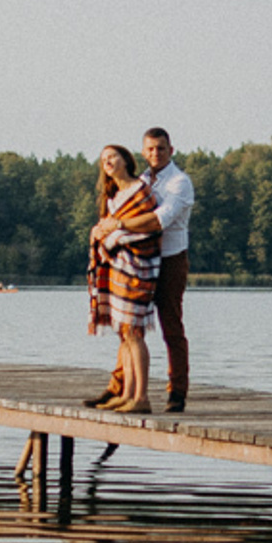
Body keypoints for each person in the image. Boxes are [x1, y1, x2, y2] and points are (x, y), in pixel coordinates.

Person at [85, 144, 162, 413]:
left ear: (126, 160)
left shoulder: (140, 191)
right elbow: (107, 229)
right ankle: (127, 393)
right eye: (103, 158)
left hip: (139, 269)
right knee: (124, 334)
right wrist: (100, 234)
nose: (108, 161)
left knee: (135, 332)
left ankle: (141, 397)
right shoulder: (114, 198)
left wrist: (113, 236)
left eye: (112, 156)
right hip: (118, 269)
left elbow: (150, 229)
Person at [141, 127, 193, 412]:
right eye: (150, 149)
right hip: (143, 259)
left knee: (171, 326)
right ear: (143, 152)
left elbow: (160, 219)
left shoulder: (179, 182)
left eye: (160, 148)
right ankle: (127, 387)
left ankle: (177, 391)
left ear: (171, 150)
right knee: (132, 325)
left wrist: (121, 224)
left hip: (171, 259)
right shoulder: (139, 181)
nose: (155, 154)